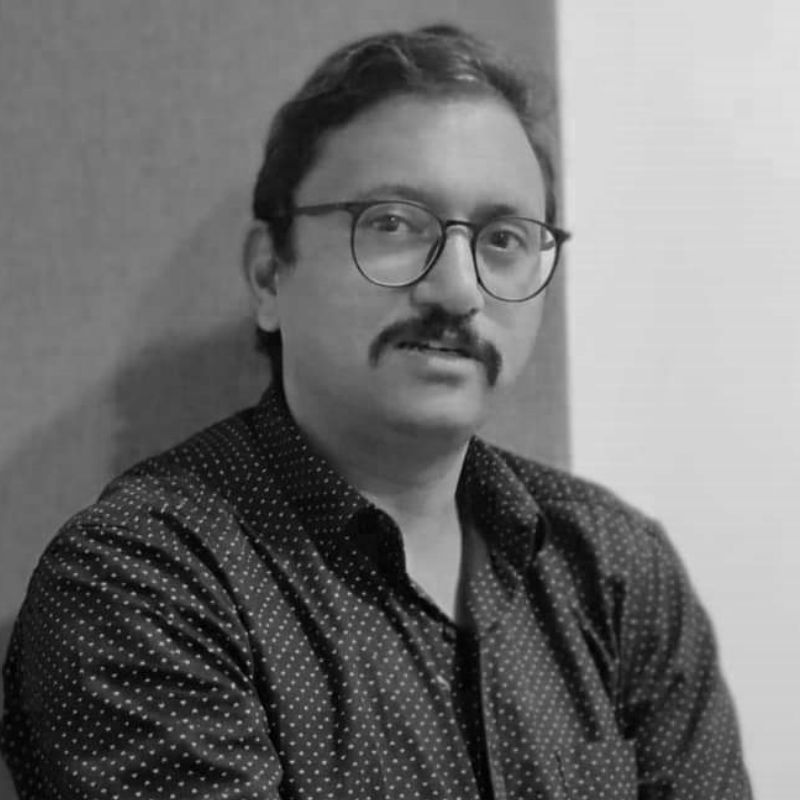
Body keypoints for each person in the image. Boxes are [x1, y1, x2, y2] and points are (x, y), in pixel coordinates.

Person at [0, 24, 750, 800]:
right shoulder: (140, 581)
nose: (457, 290)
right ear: (269, 274)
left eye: (503, 238)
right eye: (393, 224)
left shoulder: (617, 571)